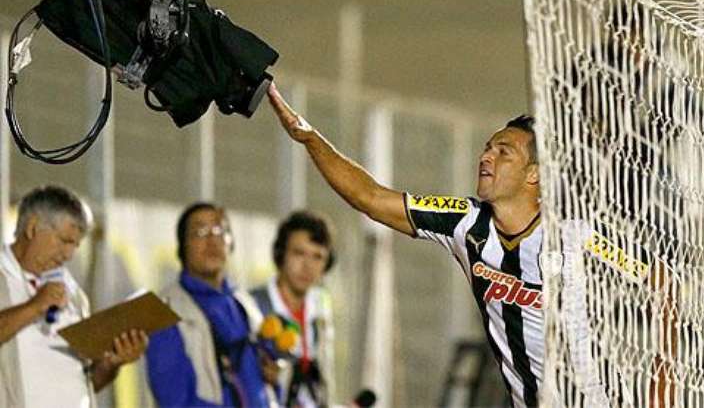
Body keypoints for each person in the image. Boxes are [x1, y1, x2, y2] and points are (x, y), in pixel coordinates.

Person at [265, 84, 610, 408]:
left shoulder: (576, 237)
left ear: (533, 174)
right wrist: (309, 137)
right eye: (487, 148)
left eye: (503, 151)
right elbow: (370, 198)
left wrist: (661, 386)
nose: (487, 157)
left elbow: (659, 280)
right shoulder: (465, 222)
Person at [0, 185, 148, 408]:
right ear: (32, 227)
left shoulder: (73, 293)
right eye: (64, 240)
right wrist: (35, 306)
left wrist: (113, 363)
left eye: (76, 245)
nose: (69, 255)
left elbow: (85, 383)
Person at [145, 202, 273, 408]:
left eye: (219, 230)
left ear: (230, 243)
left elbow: (266, 386)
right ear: (182, 247)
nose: (213, 240)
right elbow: (175, 401)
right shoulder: (165, 309)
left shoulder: (245, 304)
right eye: (200, 232)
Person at [250, 211, 336, 407]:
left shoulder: (321, 310)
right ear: (280, 254)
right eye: (299, 253)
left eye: (318, 257)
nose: (308, 266)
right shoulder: (252, 307)